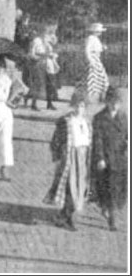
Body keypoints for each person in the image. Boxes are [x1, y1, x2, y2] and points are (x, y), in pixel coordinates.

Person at [43, 91, 91, 231]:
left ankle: (64, 215)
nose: (79, 109)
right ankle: (66, 217)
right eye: (76, 106)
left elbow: (89, 141)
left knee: (81, 188)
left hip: (83, 158)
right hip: (70, 157)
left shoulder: (86, 122)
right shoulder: (66, 121)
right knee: (70, 187)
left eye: (82, 106)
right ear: (73, 105)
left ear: (85, 107)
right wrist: (58, 156)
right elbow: (56, 141)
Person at [91, 86, 128, 231]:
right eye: (112, 102)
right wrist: (100, 158)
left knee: (120, 188)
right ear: (107, 102)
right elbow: (97, 139)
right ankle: (112, 219)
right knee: (108, 188)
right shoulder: (99, 118)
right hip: (105, 160)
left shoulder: (124, 116)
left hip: (120, 158)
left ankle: (108, 207)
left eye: (117, 102)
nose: (114, 105)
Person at [28, 23, 60, 111]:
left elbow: (54, 49)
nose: (46, 33)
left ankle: (49, 103)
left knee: (50, 84)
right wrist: (41, 56)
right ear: (40, 31)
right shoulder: (36, 41)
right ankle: (33, 104)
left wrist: (53, 54)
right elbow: (31, 54)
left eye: (47, 32)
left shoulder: (49, 40)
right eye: (44, 31)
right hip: (39, 64)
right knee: (38, 84)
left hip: (49, 64)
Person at [75, 23, 109, 104]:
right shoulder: (90, 38)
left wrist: (102, 48)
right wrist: (90, 61)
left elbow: (96, 48)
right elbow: (87, 50)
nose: (100, 33)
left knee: (101, 78)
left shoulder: (95, 38)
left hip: (96, 59)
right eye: (99, 31)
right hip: (93, 60)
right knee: (92, 79)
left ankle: (97, 96)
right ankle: (89, 98)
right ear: (95, 31)